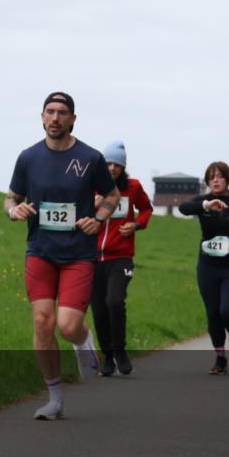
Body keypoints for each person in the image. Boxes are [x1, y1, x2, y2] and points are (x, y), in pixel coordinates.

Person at [5, 92, 120, 420]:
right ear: (42, 117)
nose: (55, 118)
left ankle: (83, 342)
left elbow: (112, 194)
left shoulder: (90, 158)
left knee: (68, 327)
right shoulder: (28, 157)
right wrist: (14, 210)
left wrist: (98, 218)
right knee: (43, 322)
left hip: (78, 254)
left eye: (62, 113)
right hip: (40, 251)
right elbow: (11, 197)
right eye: (50, 112)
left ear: (72, 119)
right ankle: (54, 398)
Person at [180, 162, 229, 374]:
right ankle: (220, 358)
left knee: (227, 310)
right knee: (213, 313)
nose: (215, 180)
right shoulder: (204, 202)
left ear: (228, 179)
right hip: (208, 267)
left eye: (220, 176)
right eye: (211, 177)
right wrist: (206, 206)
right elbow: (183, 208)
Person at [91, 140, 153, 376]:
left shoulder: (133, 187)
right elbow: (76, 213)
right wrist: (93, 205)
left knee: (114, 301)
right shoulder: (92, 186)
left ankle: (120, 350)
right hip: (93, 258)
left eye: (117, 164)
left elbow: (146, 209)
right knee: (98, 309)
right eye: (108, 163)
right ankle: (107, 355)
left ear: (123, 166)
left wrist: (136, 225)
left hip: (121, 256)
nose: (112, 168)